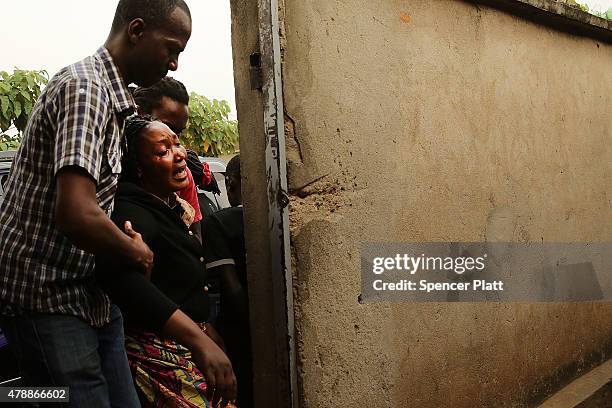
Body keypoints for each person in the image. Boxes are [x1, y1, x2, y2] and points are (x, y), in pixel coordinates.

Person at [0, 1, 191, 406]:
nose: (174, 64)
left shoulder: (114, 100)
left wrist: (113, 233)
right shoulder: (85, 91)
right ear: (137, 31)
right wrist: (132, 248)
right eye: (171, 48)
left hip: (92, 295)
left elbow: (93, 208)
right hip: (48, 297)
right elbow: (76, 213)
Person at [97, 115, 237, 407]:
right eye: (163, 151)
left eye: (177, 144)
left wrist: (202, 327)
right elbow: (123, 281)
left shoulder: (167, 206)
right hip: (158, 354)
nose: (180, 155)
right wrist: (198, 340)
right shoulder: (133, 212)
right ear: (139, 168)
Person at [132, 76, 219, 241]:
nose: (179, 150)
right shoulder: (112, 174)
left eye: (178, 133)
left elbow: (195, 234)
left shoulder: (182, 175)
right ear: (138, 115)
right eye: (166, 127)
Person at [202, 154, 252, 407]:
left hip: (238, 332)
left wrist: (250, 328)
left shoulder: (218, 223)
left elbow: (231, 288)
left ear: (230, 183)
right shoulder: (279, 218)